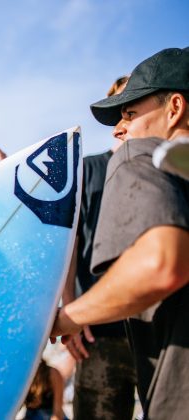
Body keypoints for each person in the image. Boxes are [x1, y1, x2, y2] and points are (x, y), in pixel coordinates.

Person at [51, 47, 189, 418]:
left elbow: (161, 265)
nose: (118, 128)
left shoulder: (136, 157)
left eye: (129, 113)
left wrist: (66, 317)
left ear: (174, 108)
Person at [61, 75, 137, 419]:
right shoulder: (88, 169)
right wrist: (71, 311)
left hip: (161, 332)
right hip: (98, 332)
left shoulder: (170, 167)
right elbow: (69, 247)